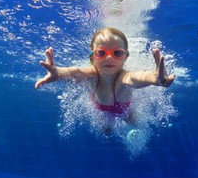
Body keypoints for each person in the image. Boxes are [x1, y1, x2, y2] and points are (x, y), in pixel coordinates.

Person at [35, 27, 175, 126]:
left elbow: (136, 77)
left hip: (125, 109)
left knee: (134, 123)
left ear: (125, 57)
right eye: (101, 53)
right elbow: (77, 72)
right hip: (100, 109)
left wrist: (155, 78)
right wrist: (59, 73)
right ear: (92, 57)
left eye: (117, 53)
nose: (109, 58)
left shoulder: (123, 77)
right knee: (105, 129)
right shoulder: (91, 74)